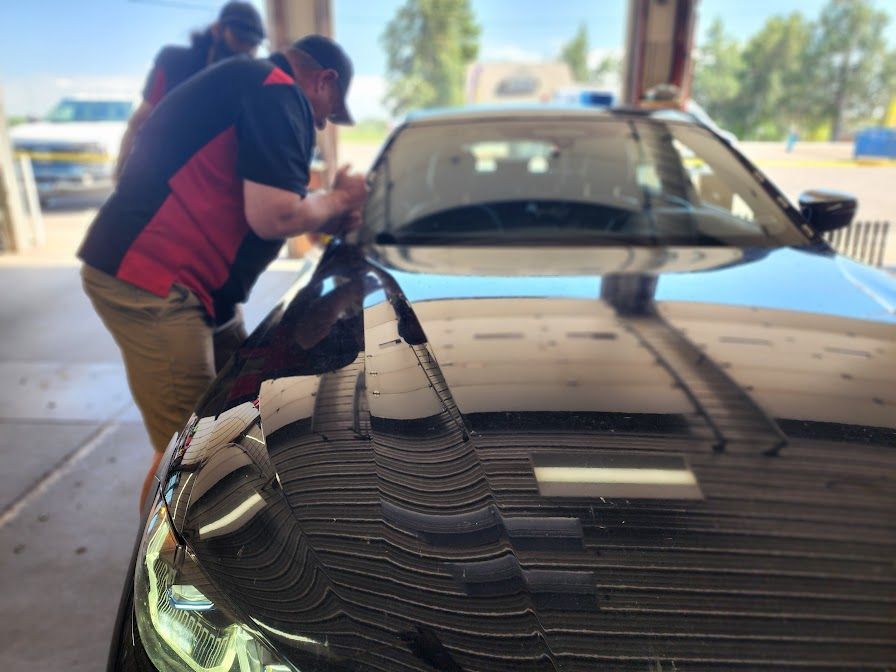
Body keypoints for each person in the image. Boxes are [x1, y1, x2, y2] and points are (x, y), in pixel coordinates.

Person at [78, 34, 368, 508]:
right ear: (324, 81)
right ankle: (169, 566)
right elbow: (273, 215)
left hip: (197, 291)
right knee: (194, 457)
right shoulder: (277, 90)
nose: (321, 125)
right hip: (152, 283)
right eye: (328, 113)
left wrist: (331, 213)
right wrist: (340, 200)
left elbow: (270, 211)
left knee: (240, 415)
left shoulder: (253, 88)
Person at [115, 1, 266, 178]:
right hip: (165, 177)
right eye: (239, 38)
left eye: (252, 44)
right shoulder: (174, 63)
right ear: (217, 30)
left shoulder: (251, 79)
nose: (245, 49)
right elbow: (138, 121)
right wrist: (121, 169)